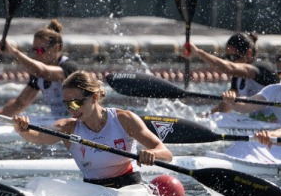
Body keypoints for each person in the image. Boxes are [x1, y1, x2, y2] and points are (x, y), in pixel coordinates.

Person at [13, 71, 172, 188]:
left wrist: (151, 154)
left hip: (130, 188)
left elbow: (165, 153)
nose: (72, 109)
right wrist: (23, 130)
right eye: (67, 104)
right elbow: (38, 137)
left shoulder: (124, 120)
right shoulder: (68, 128)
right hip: (93, 191)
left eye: (76, 103)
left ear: (94, 97)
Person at [0, 19, 81, 120]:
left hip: (79, 120)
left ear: (56, 48)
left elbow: (43, 71)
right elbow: (20, 103)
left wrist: (13, 51)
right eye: (35, 50)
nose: (37, 55)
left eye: (41, 50)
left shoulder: (69, 68)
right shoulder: (38, 75)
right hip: (58, 121)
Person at [183, 32, 278, 112]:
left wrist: (198, 52)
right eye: (228, 58)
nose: (231, 61)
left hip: (274, 120)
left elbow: (229, 68)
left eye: (234, 57)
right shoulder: (237, 77)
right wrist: (202, 118)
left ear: (248, 53)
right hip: (255, 120)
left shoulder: (262, 68)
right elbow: (225, 107)